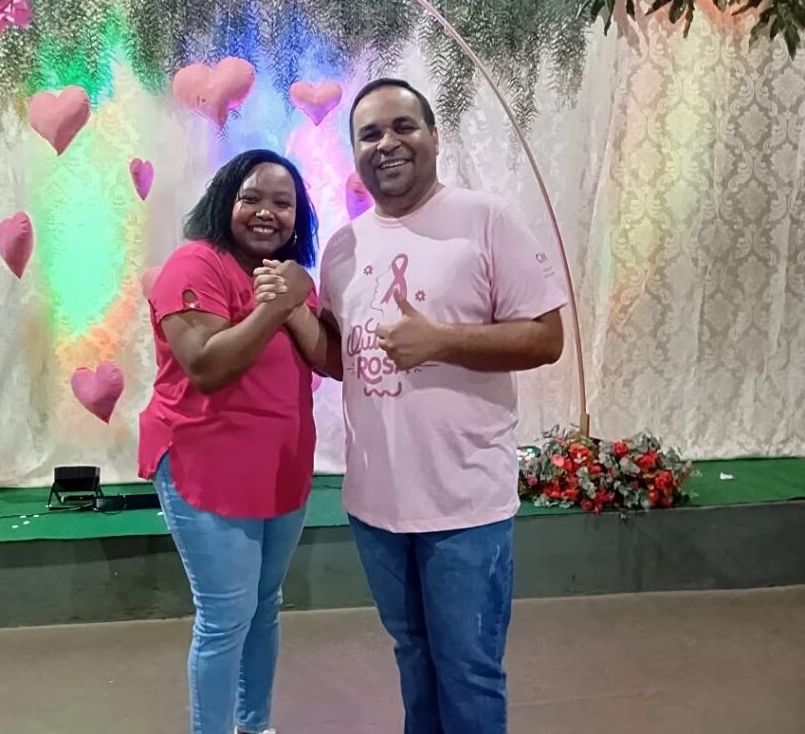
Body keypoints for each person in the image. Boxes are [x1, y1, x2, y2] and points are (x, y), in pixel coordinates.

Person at [254, 79, 567, 733]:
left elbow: (545, 338)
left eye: (403, 126)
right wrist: (290, 311)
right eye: (369, 134)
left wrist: (442, 340)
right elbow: (342, 359)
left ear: (434, 136)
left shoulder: (485, 219)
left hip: (465, 504)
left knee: (469, 670)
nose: (387, 143)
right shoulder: (344, 246)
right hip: (377, 506)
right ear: (354, 153)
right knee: (414, 658)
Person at [138, 149, 319, 734]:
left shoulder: (287, 274)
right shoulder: (195, 264)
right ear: (225, 202)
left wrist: (295, 303)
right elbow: (207, 366)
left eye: (283, 203)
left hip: (281, 466)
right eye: (251, 198)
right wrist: (278, 305)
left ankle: (256, 726)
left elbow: (330, 359)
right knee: (226, 616)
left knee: (264, 606)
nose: (267, 212)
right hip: (206, 464)